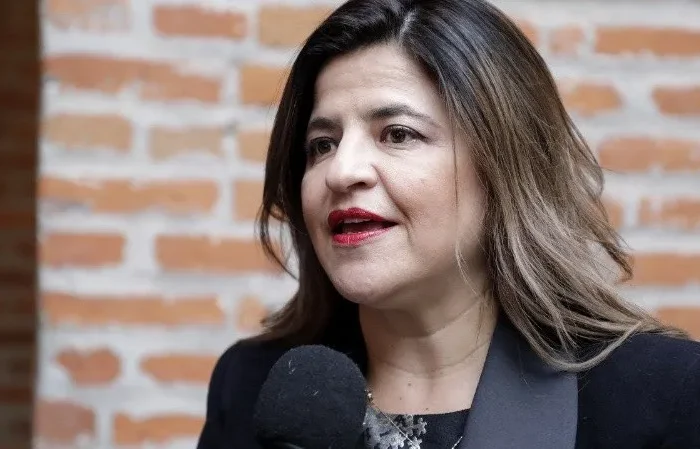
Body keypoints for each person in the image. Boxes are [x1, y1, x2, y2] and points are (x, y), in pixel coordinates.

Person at [196, 0, 700, 448]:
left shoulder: (664, 394)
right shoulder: (248, 386)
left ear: (503, 166)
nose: (341, 171)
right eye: (322, 144)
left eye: (397, 134)